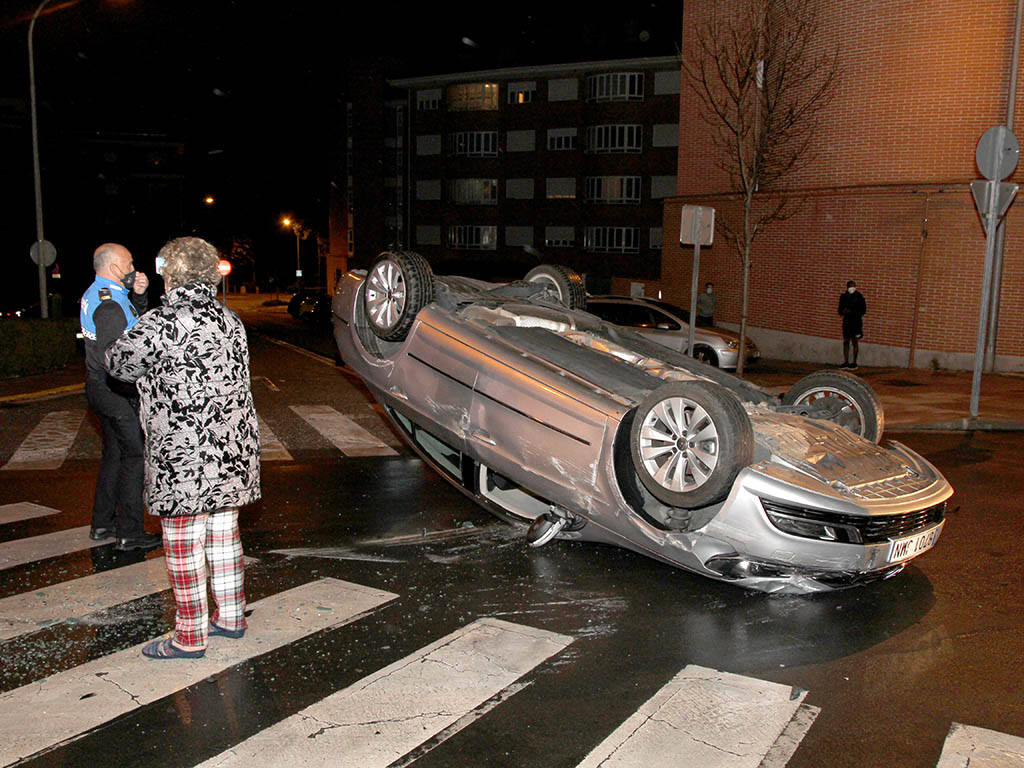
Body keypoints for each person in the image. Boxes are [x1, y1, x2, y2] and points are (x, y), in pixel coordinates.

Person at [106, 237, 261, 659]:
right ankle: (231, 617)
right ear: (211, 275)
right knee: (223, 537)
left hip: (183, 457)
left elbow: (117, 363)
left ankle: (189, 636)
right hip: (231, 451)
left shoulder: (162, 322)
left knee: (183, 545)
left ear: (170, 275)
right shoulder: (230, 320)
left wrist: (136, 307)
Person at [80, 243, 161, 552]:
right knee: (135, 456)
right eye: (129, 265)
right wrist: (136, 393)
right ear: (114, 268)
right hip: (113, 392)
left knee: (115, 454)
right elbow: (117, 360)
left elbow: (133, 328)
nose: (133, 270)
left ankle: (102, 523)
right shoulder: (110, 306)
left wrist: (139, 296)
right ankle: (130, 532)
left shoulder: (103, 294)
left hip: (99, 388)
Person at [838, 279, 867, 370]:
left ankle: (854, 362)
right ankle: (846, 361)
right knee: (846, 341)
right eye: (850, 286)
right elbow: (839, 310)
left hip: (856, 322)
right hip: (846, 322)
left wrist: (852, 311)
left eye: (853, 286)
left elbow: (863, 310)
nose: (852, 288)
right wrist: (843, 311)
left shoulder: (859, 297)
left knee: (855, 341)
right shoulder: (843, 297)